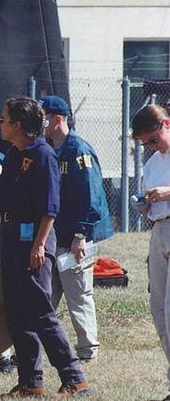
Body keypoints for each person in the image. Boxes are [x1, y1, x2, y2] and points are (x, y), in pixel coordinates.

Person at [0, 96, 89, 397]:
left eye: (3, 119)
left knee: (39, 312)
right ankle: (31, 381)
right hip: (10, 240)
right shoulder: (12, 155)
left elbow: (50, 208)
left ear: (18, 125)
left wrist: (38, 246)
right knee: (16, 314)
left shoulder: (43, 155)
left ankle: (74, 377)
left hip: (34, 241)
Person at [41, 95, 113, 362]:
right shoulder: (49, 147)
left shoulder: (78, 151)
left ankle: (87, 348)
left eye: (44, 116)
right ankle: (38, 348)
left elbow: (90, 196)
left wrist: (81, 235)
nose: (41, 122)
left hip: (76, 237)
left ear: (57, 119)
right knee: (47, 295)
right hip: (56, 235)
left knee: (79, 293)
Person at [131, 104, 170, 401]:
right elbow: (150, 200)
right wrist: (144, 203)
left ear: (166, 124)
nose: (150, 147)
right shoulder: (152, 163)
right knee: (158, 310)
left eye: (153, 140)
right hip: (158, 230)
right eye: (145, 143)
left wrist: (167, 192)